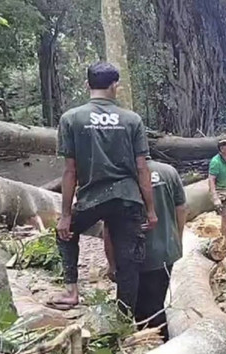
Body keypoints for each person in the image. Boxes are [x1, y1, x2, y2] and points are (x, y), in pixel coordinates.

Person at [51, 62, 157, 314]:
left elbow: (70, 170)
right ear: (114, 86)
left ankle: (71, 291)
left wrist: (66, 214)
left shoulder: (71, 118)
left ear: (88, 85)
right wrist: (150, 209)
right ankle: (124, 317)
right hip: (127, 198)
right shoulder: (131, 119)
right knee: (128, 260)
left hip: (92, 197)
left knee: (65, 233)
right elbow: (142, 168)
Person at [103, 158, 187, 341]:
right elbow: (181, 208)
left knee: (131, 309)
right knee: (157, 304)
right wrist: (177, 240)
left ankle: (151, 344)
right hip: (165, 251)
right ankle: (162, 343)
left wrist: (111, 263)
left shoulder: (118, 177)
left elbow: (108, 227)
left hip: (129, 256)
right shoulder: (169, 171)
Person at [209, 136, 226, 255]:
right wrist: (215, 197)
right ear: (222, 149)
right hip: (220, 192)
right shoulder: (215, 162)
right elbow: (211, 180)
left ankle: (225, 238)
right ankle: (222, 241)